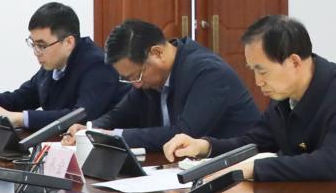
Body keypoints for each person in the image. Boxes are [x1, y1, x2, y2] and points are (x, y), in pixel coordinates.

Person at [165, 15, 336, 191]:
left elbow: (330, 164)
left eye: (262, 71)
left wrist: (253, 169)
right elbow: (254, 143)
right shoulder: (285, 95)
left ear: (294, 62)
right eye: (253, 70)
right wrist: (204, 146)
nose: (258, 81)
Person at [85, 18, 262, 154]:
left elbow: (183, 134)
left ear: (157, 53)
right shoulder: (150, 78)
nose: (136, 85)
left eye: (136, 75)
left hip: (240, 168)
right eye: (129, 79)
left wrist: (115, 136)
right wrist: (91, 128)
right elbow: (119, 115)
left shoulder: (208, 72)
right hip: (185, 167)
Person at [0, 2, 125, 132]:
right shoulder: (53, 62)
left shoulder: (98, 65)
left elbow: (79, 116)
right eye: (33, 44)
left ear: (68, 42)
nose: (36, 52)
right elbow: (25, 96)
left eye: (41, 45)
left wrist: (19, 118)